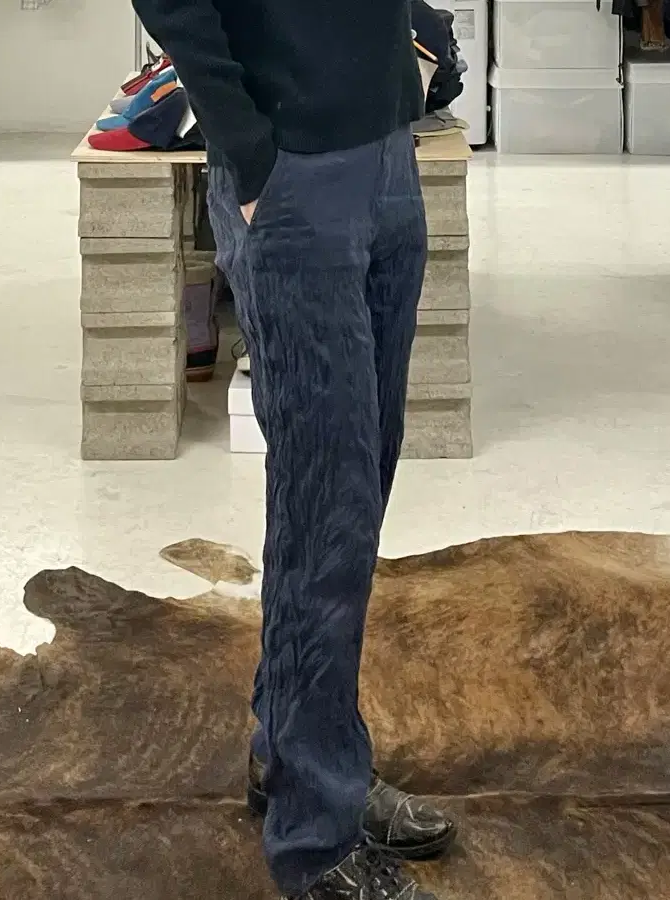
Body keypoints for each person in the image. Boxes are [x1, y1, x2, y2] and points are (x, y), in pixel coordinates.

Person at [129, 1, 458, 897]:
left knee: (358, 479)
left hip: (384, 150)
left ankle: (298, 752)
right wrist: (246, 146)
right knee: (329, 500)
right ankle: (316, 837)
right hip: (292, 171)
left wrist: (422, 46)